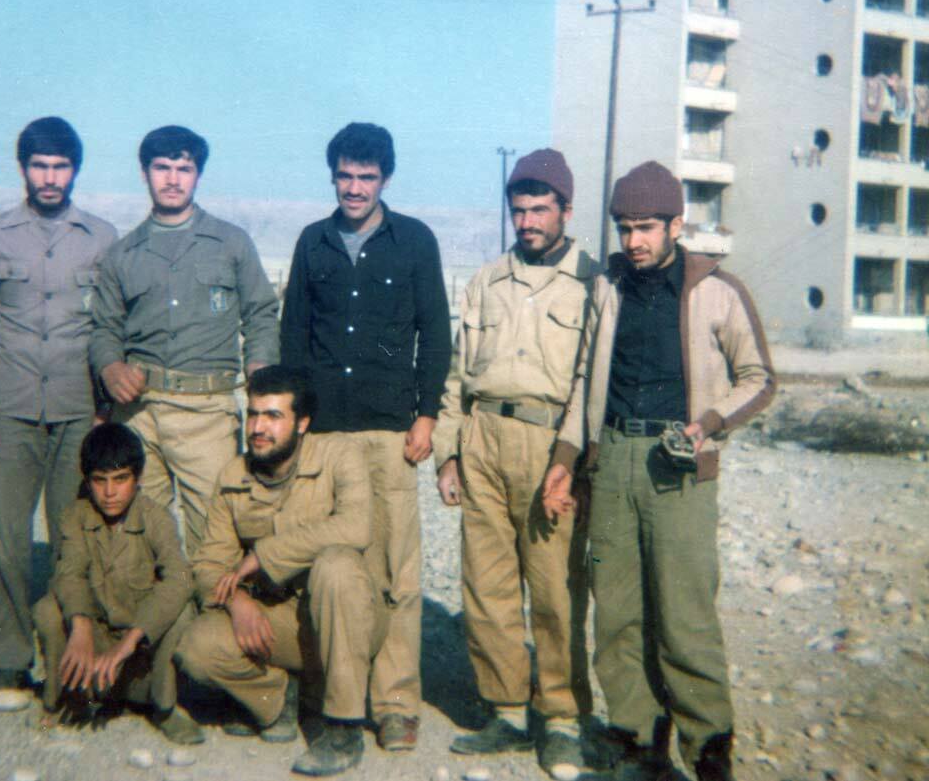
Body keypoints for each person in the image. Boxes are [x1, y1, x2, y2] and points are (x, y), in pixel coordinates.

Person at [556, 161, 775, 781]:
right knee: (617, 612)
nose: (634, 241)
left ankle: (708, 748)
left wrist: (709, 423)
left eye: (646, 227)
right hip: (613, 461)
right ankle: (638, 740)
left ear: (677, 225)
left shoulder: (717, 291)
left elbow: (759, 379)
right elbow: (583, 380)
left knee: (684, 613)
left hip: (679, 467)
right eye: (625, 228)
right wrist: (567, 459)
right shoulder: (607, 289)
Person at [279, 121, 451, 751]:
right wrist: (296, 422)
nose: (355, 188)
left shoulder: (415, 241)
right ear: (333, 176)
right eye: (346, 176)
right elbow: (293, 336)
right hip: (324, 433)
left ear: (385, 179)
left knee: (397, 571)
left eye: (367, 177)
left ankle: (397, 704)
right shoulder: (312, 242)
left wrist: (426, 415)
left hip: (388, 430)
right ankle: (328, 695)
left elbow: (435, 333)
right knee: (329, 565)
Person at [433, 149, 596, 778]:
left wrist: (570, 458)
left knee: (554, 588)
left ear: (566, 211)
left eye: (540, 210)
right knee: (487, 583)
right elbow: (457, 374)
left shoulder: (591, 284)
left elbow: (589, 382)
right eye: (519, 210)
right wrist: (449, 451)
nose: (527, 221)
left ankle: (560, 719)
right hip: (483, 438)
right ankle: (505, 709)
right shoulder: (487, 280)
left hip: (549, 444)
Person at [0, 116, 117, 711]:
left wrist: (105, 411)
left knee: (71, 537)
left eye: (60, 166)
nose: (50, 177)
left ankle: (68, 662)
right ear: (23, 169)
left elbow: (109, 329)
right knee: (3, 534)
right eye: (39, 166)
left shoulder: (101, 238)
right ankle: (5, 662)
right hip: (10, 408)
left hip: (78, 410)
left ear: (74, 170)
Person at [175, 366, 386, 777]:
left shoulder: (339, 455)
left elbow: (355, 527)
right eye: (253, 414)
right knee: (196, 647)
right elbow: (209, 563)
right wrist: (237, 602)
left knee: (336, 565)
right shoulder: (233, 475)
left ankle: (343, 727)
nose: (258, 428)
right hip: (281, 622)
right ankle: (279, 697)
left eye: (273, 416)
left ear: (302, 423)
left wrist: (263, 556)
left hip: (348, 617)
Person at [90, 125, 278, 553]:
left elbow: (261, 313)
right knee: (138, 539)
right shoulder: (123, 254)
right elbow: (104, 327)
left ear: (198, 175)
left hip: (206, 414)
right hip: (139, 411)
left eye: (184, 169)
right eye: (162, 168)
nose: (173, 179)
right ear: (144, 173)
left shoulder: (231, 243)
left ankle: (209, 600)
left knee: (213, 538)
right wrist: (110, 367)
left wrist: (260, 370)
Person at [31, 423, 203, 744]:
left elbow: (180, 579)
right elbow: (69, 573)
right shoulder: (74, 516)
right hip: (93, 649)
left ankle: (164, 708)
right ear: (88, 481)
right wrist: (81, 626)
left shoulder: (156, 518)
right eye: (100, 480)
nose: (110, 493)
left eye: (120, 479)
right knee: (47, 608)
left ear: (137, 479)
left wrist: (129, 643)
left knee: (182, 611)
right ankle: (66, 697)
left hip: (137, 657)